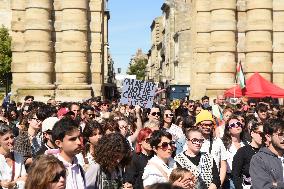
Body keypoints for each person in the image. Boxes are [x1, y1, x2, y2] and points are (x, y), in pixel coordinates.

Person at [51, 118, 86, 189]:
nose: (79, 142)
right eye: (72, 139)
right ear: (59, 143)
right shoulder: (50, 170)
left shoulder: (80, 169)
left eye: (79, 137)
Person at [250, 119, 284, 189]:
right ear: (268, 137)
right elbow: (262, 187)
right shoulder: (259, 159)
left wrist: (276, 184)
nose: (283, 138)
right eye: (280, 134)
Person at [232, 122, 263, 189]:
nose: (262, 136)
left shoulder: (266, 151)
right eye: (260, 133)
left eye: (264, 134)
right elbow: (235, 174)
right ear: (252, 133)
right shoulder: (242, 151)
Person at [222, 116, 247, 189]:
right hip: (229, 181)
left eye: (238, 123)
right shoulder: (223, 145)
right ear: (228, 130)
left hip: (244, 180)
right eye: (233, 125)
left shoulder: (246, 144)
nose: (237, 126)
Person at [0, 123, 26, 189]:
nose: (11, 141)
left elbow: (25, 177)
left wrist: (13, 183)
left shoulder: (18, 155)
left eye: (12, 137)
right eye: (6, 139)